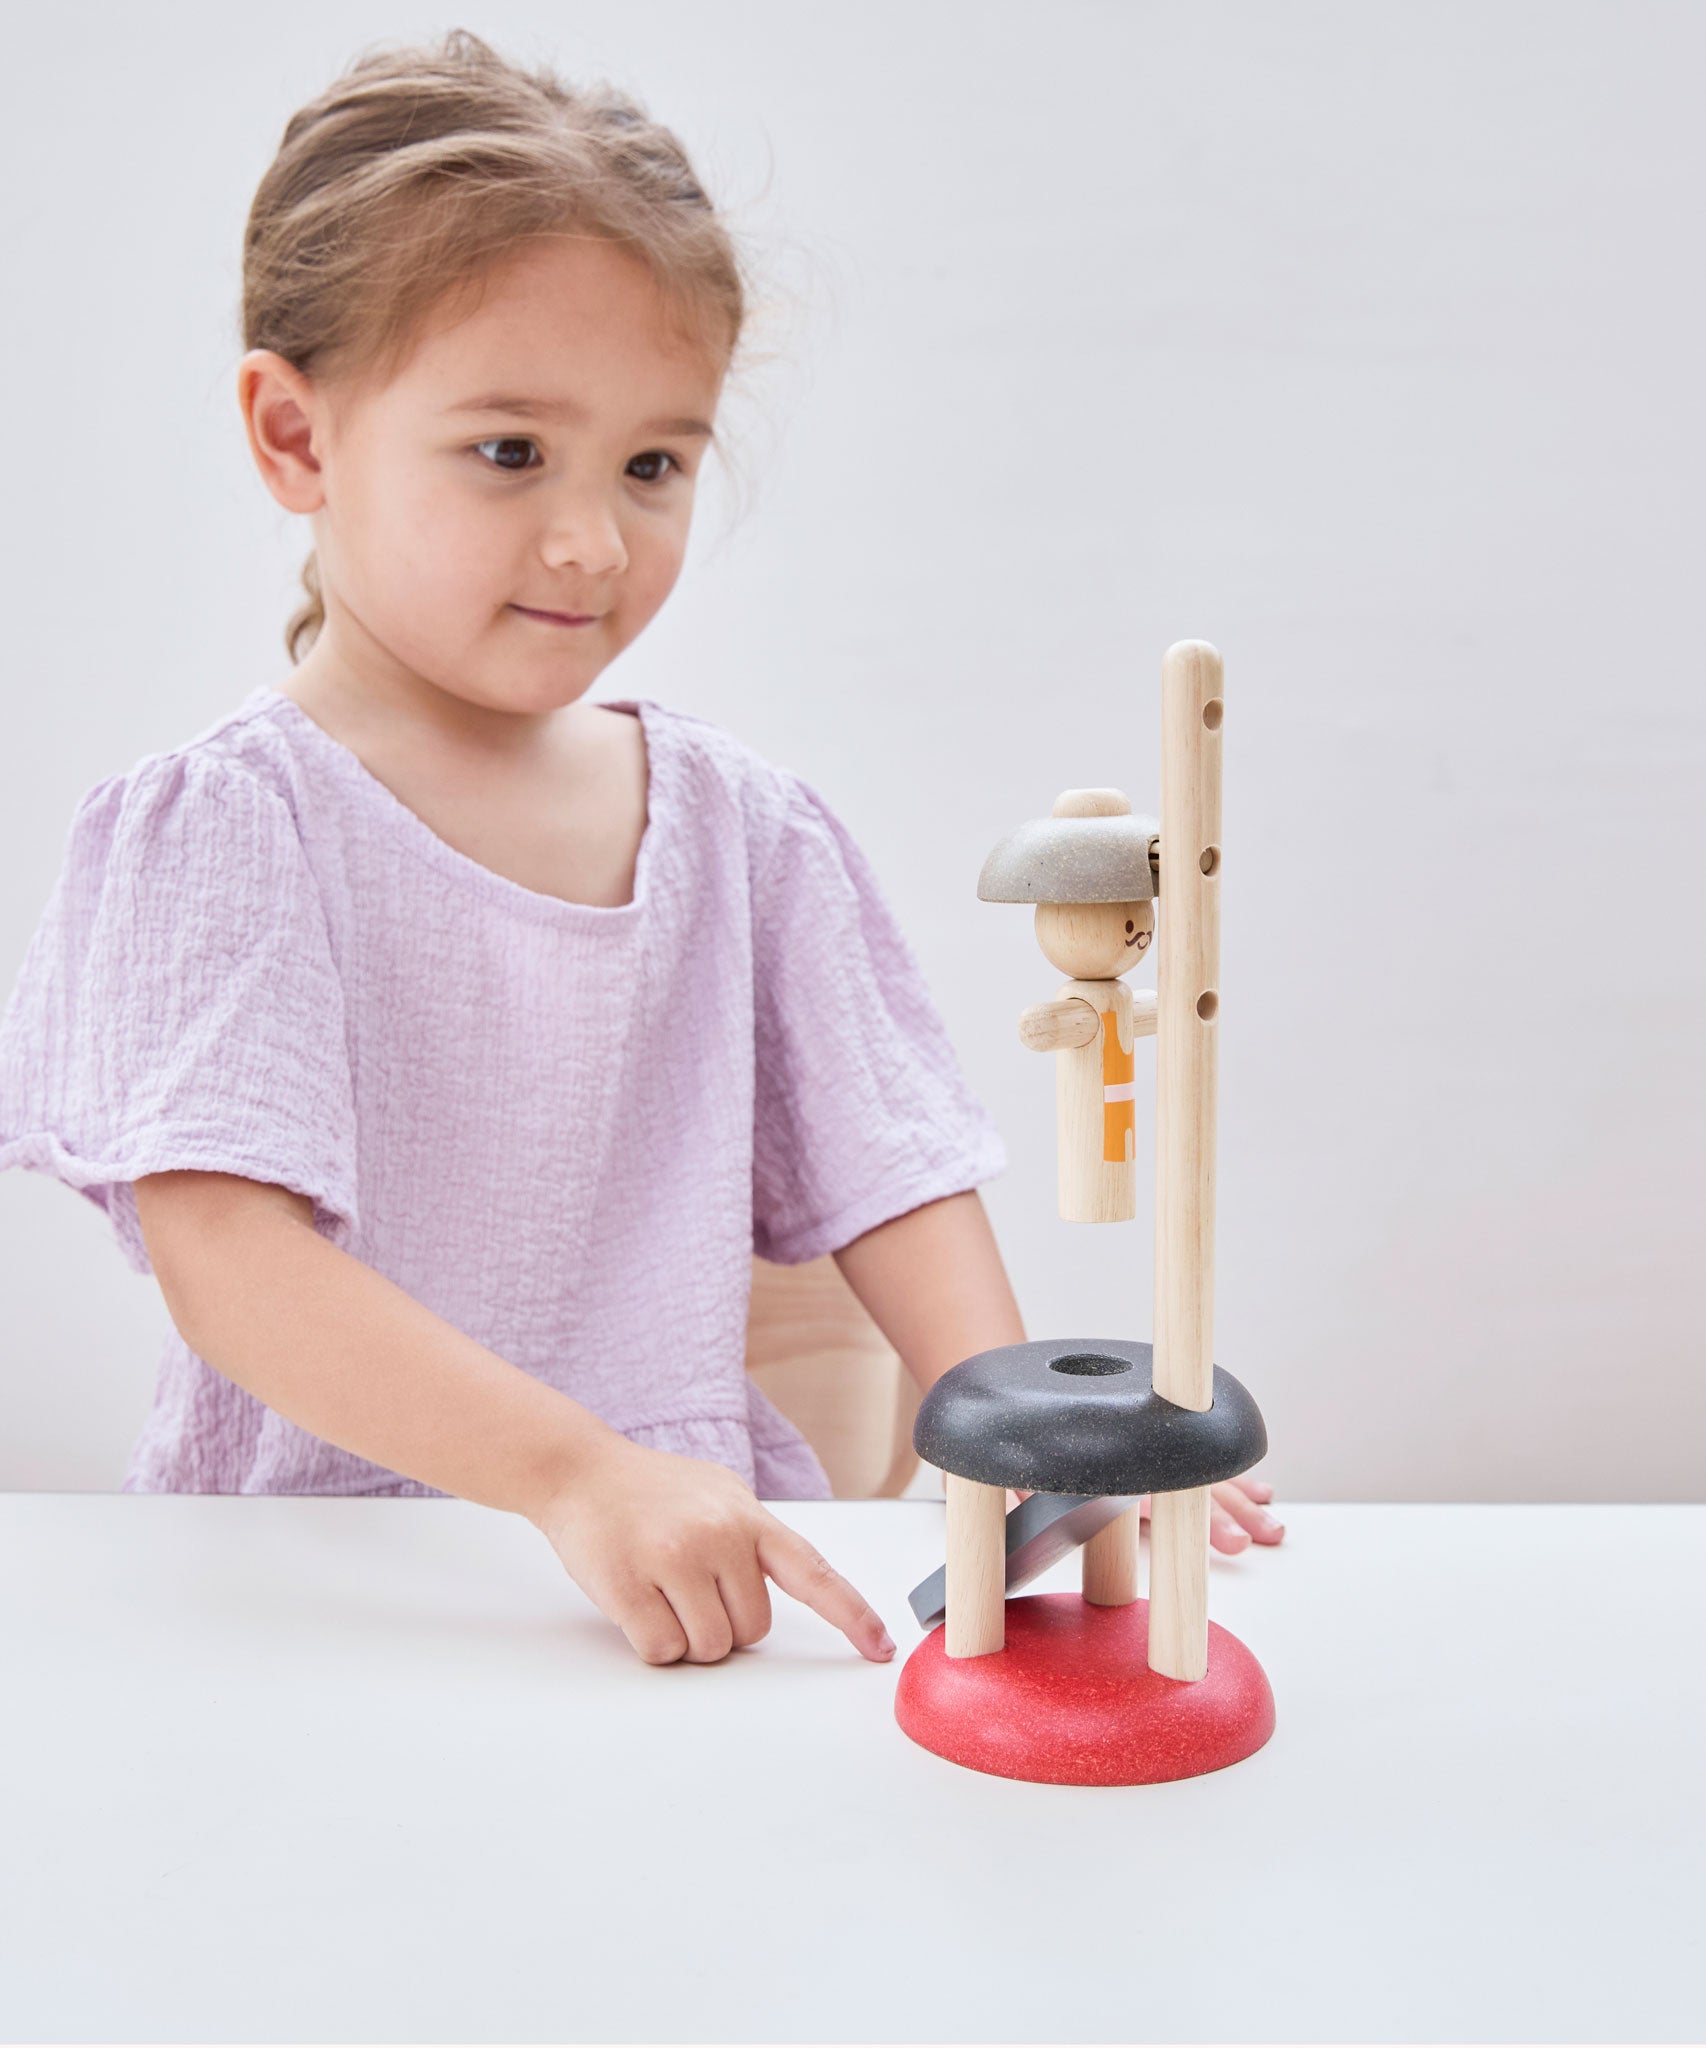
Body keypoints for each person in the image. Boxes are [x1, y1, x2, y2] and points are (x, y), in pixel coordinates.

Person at [0, 30, 1282, 1669]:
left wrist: (1039, 1455)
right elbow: (226, 1257)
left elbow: (891, 1177)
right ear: (296, 437)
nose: (591, 540)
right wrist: (570, 1478)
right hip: (312, 1602)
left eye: (654, 465)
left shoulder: (747, 832)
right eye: (510, 451)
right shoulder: (232, 827)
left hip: (698, 1585)